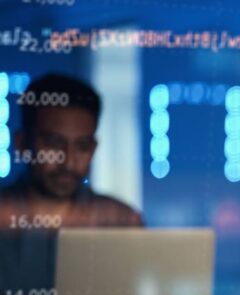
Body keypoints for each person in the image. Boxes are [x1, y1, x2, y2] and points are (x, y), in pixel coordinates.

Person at [0, 73, 142, 228]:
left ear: (93, 149)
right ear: (22, 143)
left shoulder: (121, 221)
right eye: (54, 143)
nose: (68, 162)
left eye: (82, 146)